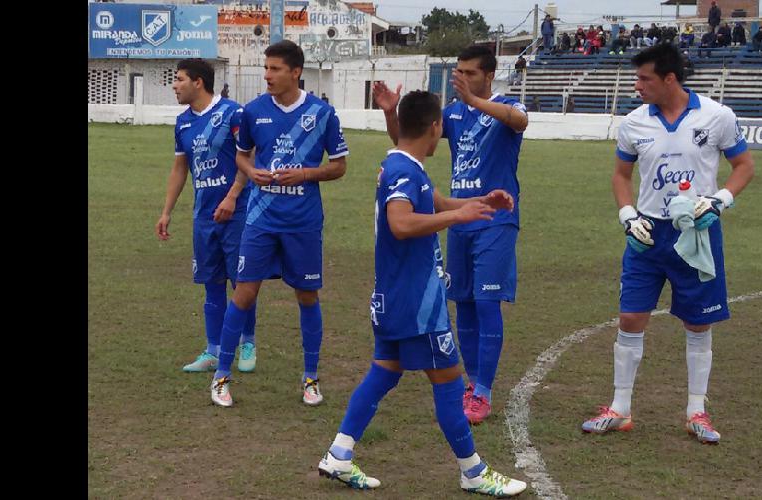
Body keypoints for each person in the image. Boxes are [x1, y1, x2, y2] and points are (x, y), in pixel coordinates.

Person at [315, 89, 526, 498]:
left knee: (384, 371)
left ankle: (339, 454)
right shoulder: (404, 171)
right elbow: (401, 223)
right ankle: (473, 472)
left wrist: (479, 201)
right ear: (435, 127)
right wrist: (457, 216)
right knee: (449, 380)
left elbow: (435, 202)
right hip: (416, 303)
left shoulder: (403, 164)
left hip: (394, 297)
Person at [581, 43, 755, 445]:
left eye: (644, 78)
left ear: (670, 79)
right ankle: (620, 409)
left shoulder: (717, 116)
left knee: (698, 322)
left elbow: (743, 166)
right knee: (630, 318)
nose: (637, 85)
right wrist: (627, 216)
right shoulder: (633, 123)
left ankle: (697, 411)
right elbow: (621, 176)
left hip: (697, 233)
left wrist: (719, 200)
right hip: (646, 235)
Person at [372, 45, 528, 426]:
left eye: (470, 73)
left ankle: (484, 392)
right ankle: (470, 385)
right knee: (465, 304)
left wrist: (475, 99)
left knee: (488, 303)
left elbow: (519, 121)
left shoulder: (506, 106)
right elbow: (406, 142)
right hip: (459, 218)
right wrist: (392, 112)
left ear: (489, 76)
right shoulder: (453, 114)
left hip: (494, 218)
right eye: (458, 72)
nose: (462, 79)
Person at [207, 40, 350, 407]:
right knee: (243, 293)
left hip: (302, 222)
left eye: (274, 69)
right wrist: (251, 171)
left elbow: (339, 166)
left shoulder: (322, 114)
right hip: (260, 219)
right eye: (265, 68)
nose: (267, 75)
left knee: (307, 296)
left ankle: (311, 379)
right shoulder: (252, 111)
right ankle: (221, 377)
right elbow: (242, 158)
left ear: (295, 72)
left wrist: (304, 174)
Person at [158, 58, 256, 375]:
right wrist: (167, 211)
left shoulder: (233, 113)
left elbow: (249, 156)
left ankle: (248, 343)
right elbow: (180, 168)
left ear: (198, 82)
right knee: (211, 283)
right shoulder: (183, 123)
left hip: (238, 212)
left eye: (179, 79)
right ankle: (213, 350)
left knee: (241, 283)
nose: (174, 85)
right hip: (204, 216)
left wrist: (232, 195)